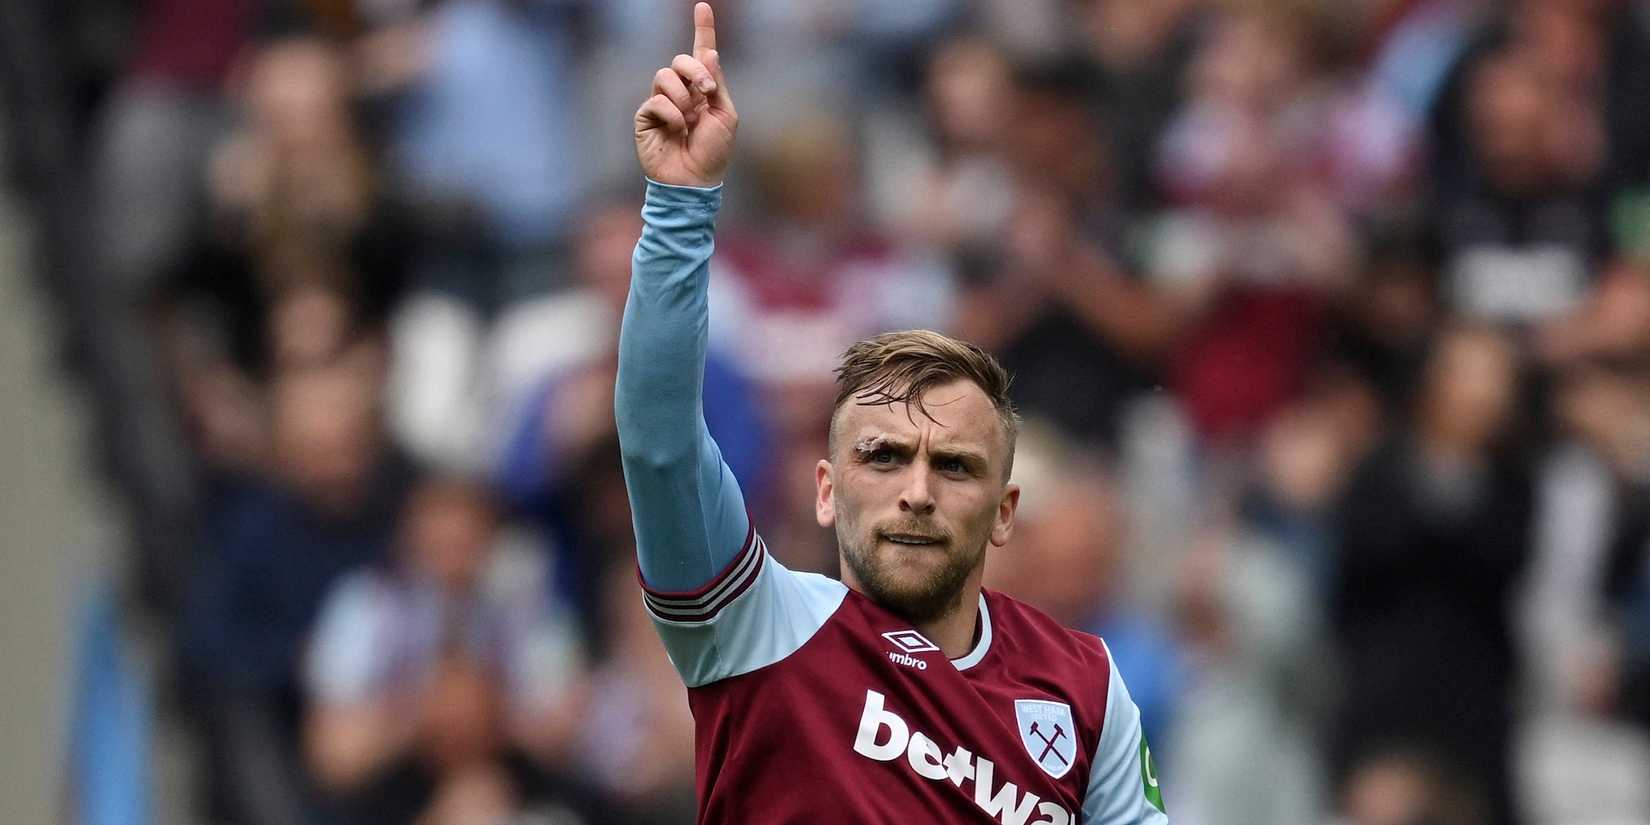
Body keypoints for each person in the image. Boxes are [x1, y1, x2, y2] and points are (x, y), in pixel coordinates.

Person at [615, 5, 1168, 823]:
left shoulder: (1086, 685)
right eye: (883, 456)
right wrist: (681, 202)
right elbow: (660, 440)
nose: (917, 489)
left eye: (954, 465)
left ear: (1005, 511)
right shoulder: (756, 627)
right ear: (826, 489)